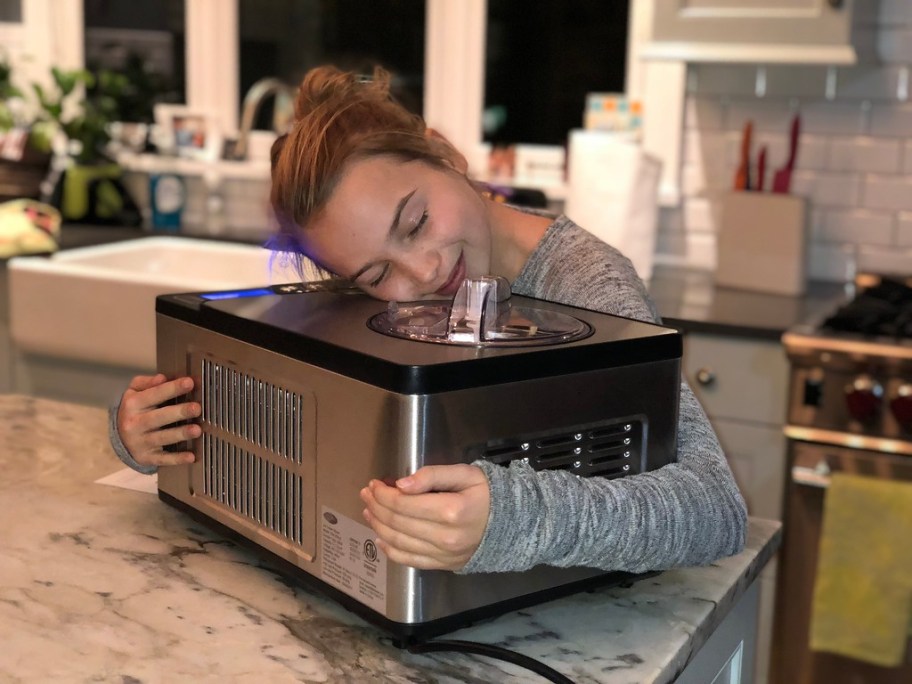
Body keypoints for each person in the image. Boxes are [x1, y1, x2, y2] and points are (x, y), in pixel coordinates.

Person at [110, 65, 747, 575]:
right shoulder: (375, 300)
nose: (421, 274)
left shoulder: (586, 283)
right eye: (377, 275)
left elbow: (714, 510)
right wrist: (145, 431)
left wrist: (511, 520)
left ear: (445, 156)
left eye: (415, 222)